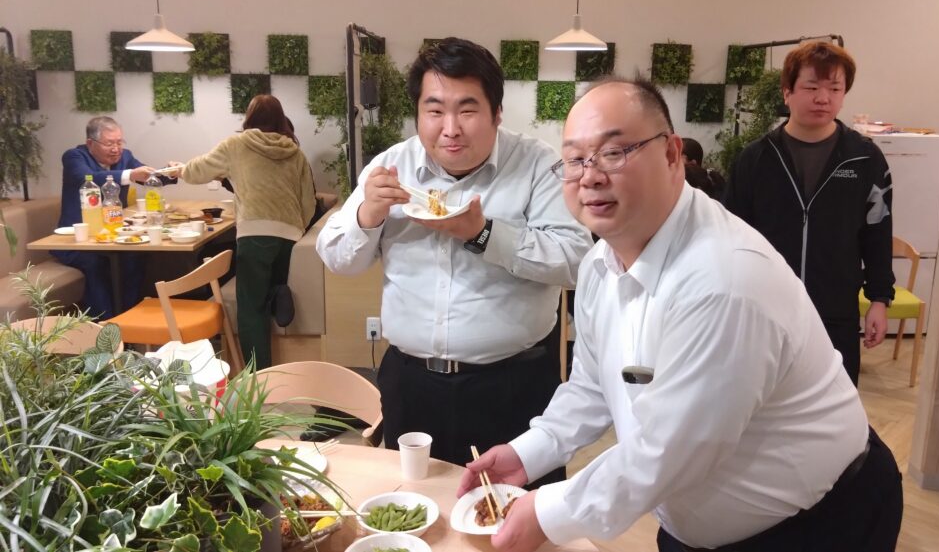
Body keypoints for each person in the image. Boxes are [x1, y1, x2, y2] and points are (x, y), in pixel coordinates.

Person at [460, 78, 903, 552]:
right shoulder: (600, 264)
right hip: (692, 523)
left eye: (613, 152)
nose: (590, 176)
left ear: (672, 154)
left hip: (817, 525)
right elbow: (592, 386)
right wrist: (527, 454)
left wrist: (550, 514)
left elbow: (673, 449)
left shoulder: (724, 279)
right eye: (574, 159)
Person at [316, 37, 592, 482]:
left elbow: (576, 259)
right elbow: (338, 259)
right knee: (418, 508)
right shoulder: (391, 166)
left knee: (516, 512)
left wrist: (483, 234)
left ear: (497, 113)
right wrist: (368, 214)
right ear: (418, 113)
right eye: (435, 110)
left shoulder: (537, 166)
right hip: (411, 384)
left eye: (467, 110)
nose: (450, 128)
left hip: (513, 384)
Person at [724, 41, 894, 387]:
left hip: (836, 311)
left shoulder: (865, 159)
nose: (823, 98)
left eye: (835, 89)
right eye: (812, 87)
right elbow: (731, 237)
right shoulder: (755, 159)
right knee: (765, 400)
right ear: (787, 92)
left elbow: (877, 233)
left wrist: (879, 299)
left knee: (835, 401)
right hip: (766, 309)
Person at [168, 95, 315, 370]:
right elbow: (308, 201)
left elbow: (199, 170)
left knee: (250, 309)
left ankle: (258, 376)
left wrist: (180, 170)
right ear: (280, 119)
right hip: (290, 236)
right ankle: (277, 293)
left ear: (249, 118)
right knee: (268, 288)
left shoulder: (236, 145)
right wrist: (296, 229)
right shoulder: (295, 153)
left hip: (255, 234)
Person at [54, 116, 157, 320]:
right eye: (109, 143)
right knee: (96, 263)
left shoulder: (126, 156)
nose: (116, 149)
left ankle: (129, 318)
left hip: (114, 236)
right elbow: (87, 178)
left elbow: (146, 176)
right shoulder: (74, 157)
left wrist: (172, 172)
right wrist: (131, 174)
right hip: (77, 241)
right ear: (90, 143)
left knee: (135, 257)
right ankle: (104, 325)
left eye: (119, 142)